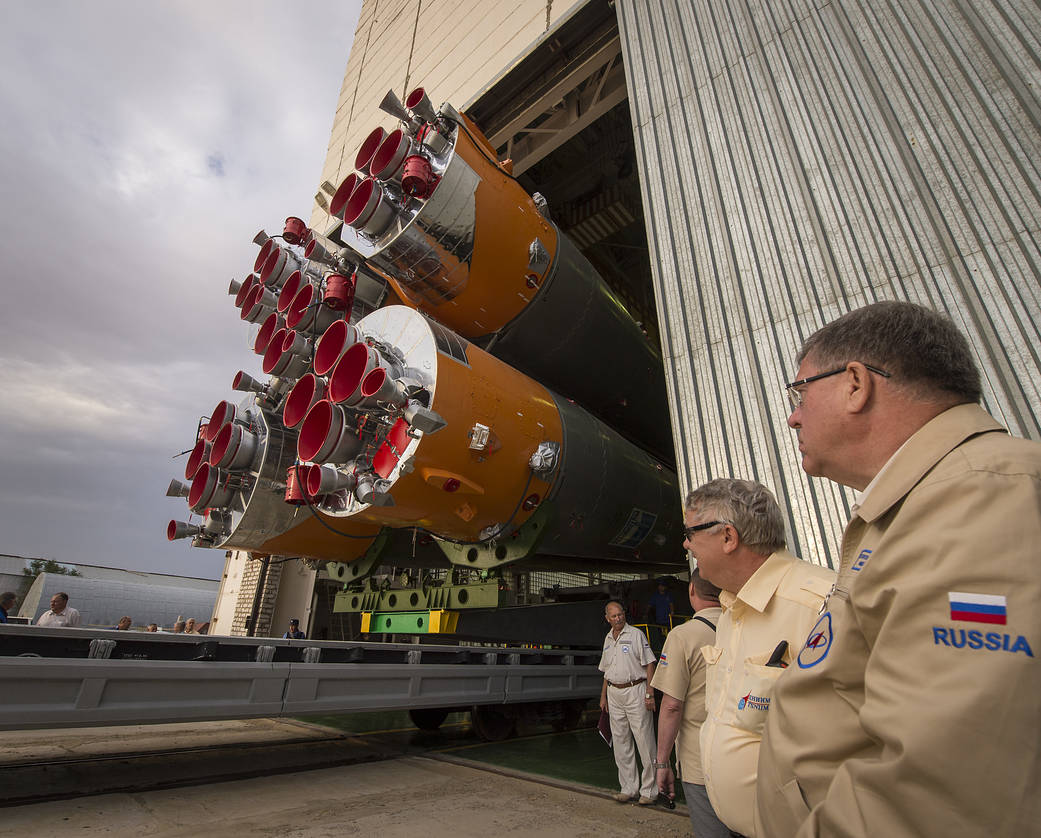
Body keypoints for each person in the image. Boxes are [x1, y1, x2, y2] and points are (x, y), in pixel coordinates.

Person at [757, 301, 1041, 837]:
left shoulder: (978, 498)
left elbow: (940, 794)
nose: (793, 415)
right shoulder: (920, 505)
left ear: (856, 384)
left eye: (800, 392)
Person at [684, 479, 834, 838]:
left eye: (690, 533)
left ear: (728, 537)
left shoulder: (823, 605)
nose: (686, 544)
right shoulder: (731, 608)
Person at [651, 570, 730, 838]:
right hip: (746, 757)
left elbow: (672, 706)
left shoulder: (683, 636)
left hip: (701, 762)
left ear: (692, 591)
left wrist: (662, 763)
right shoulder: (745, 627)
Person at [598, 599, 658, 805]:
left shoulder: (636, 635)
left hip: (636, 690)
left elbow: (650, 664)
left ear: (624, 614)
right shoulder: (608, 639)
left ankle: (649, 791)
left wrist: (650, 693)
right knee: (621, 742)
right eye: (614, 616)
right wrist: (603, 696)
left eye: (620, 614)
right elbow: (606, 670)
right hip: (614, 693)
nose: (618, 618)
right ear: (607, 619)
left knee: (644, 741)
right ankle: (628, 788)